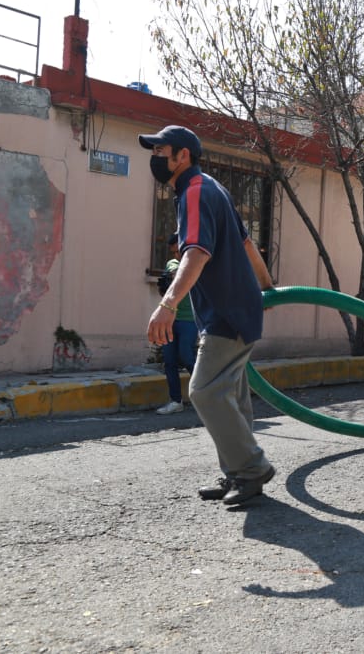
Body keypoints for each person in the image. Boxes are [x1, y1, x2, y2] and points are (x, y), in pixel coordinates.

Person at [141, 125, 277, 506]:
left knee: (203, 391)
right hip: (233, 308)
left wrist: (167, 305)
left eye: (160, 150)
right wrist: (268, 286)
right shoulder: (211, 187)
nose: (154, 157)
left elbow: (196, 253)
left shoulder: (197, 192)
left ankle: (251, 468)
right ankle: (239, 472)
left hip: (227, 313)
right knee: (231, 395)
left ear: (181, 155)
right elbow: (247, 243)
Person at [156, 232, 198, 415]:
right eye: (173, 252)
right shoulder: (173, 264)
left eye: (178, 252)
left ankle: (207, 394)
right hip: (170, 320)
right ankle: (175, 401)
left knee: (187, 356)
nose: (175, 256)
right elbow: (173, 269)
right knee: (170, 361)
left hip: (190, 320)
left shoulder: (198, 263)